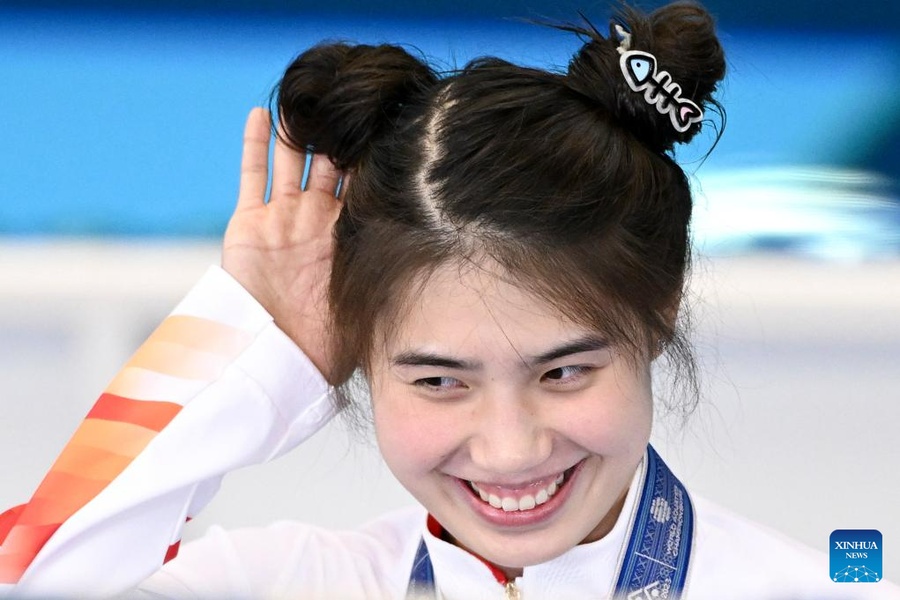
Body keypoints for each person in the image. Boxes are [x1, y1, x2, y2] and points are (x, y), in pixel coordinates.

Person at [1, 1, 897, 598]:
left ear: (658, 313)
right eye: (439, 382)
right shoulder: (304, 584)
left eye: (564, 371)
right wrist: (253, 337)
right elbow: (37, 578)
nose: (511, 448)